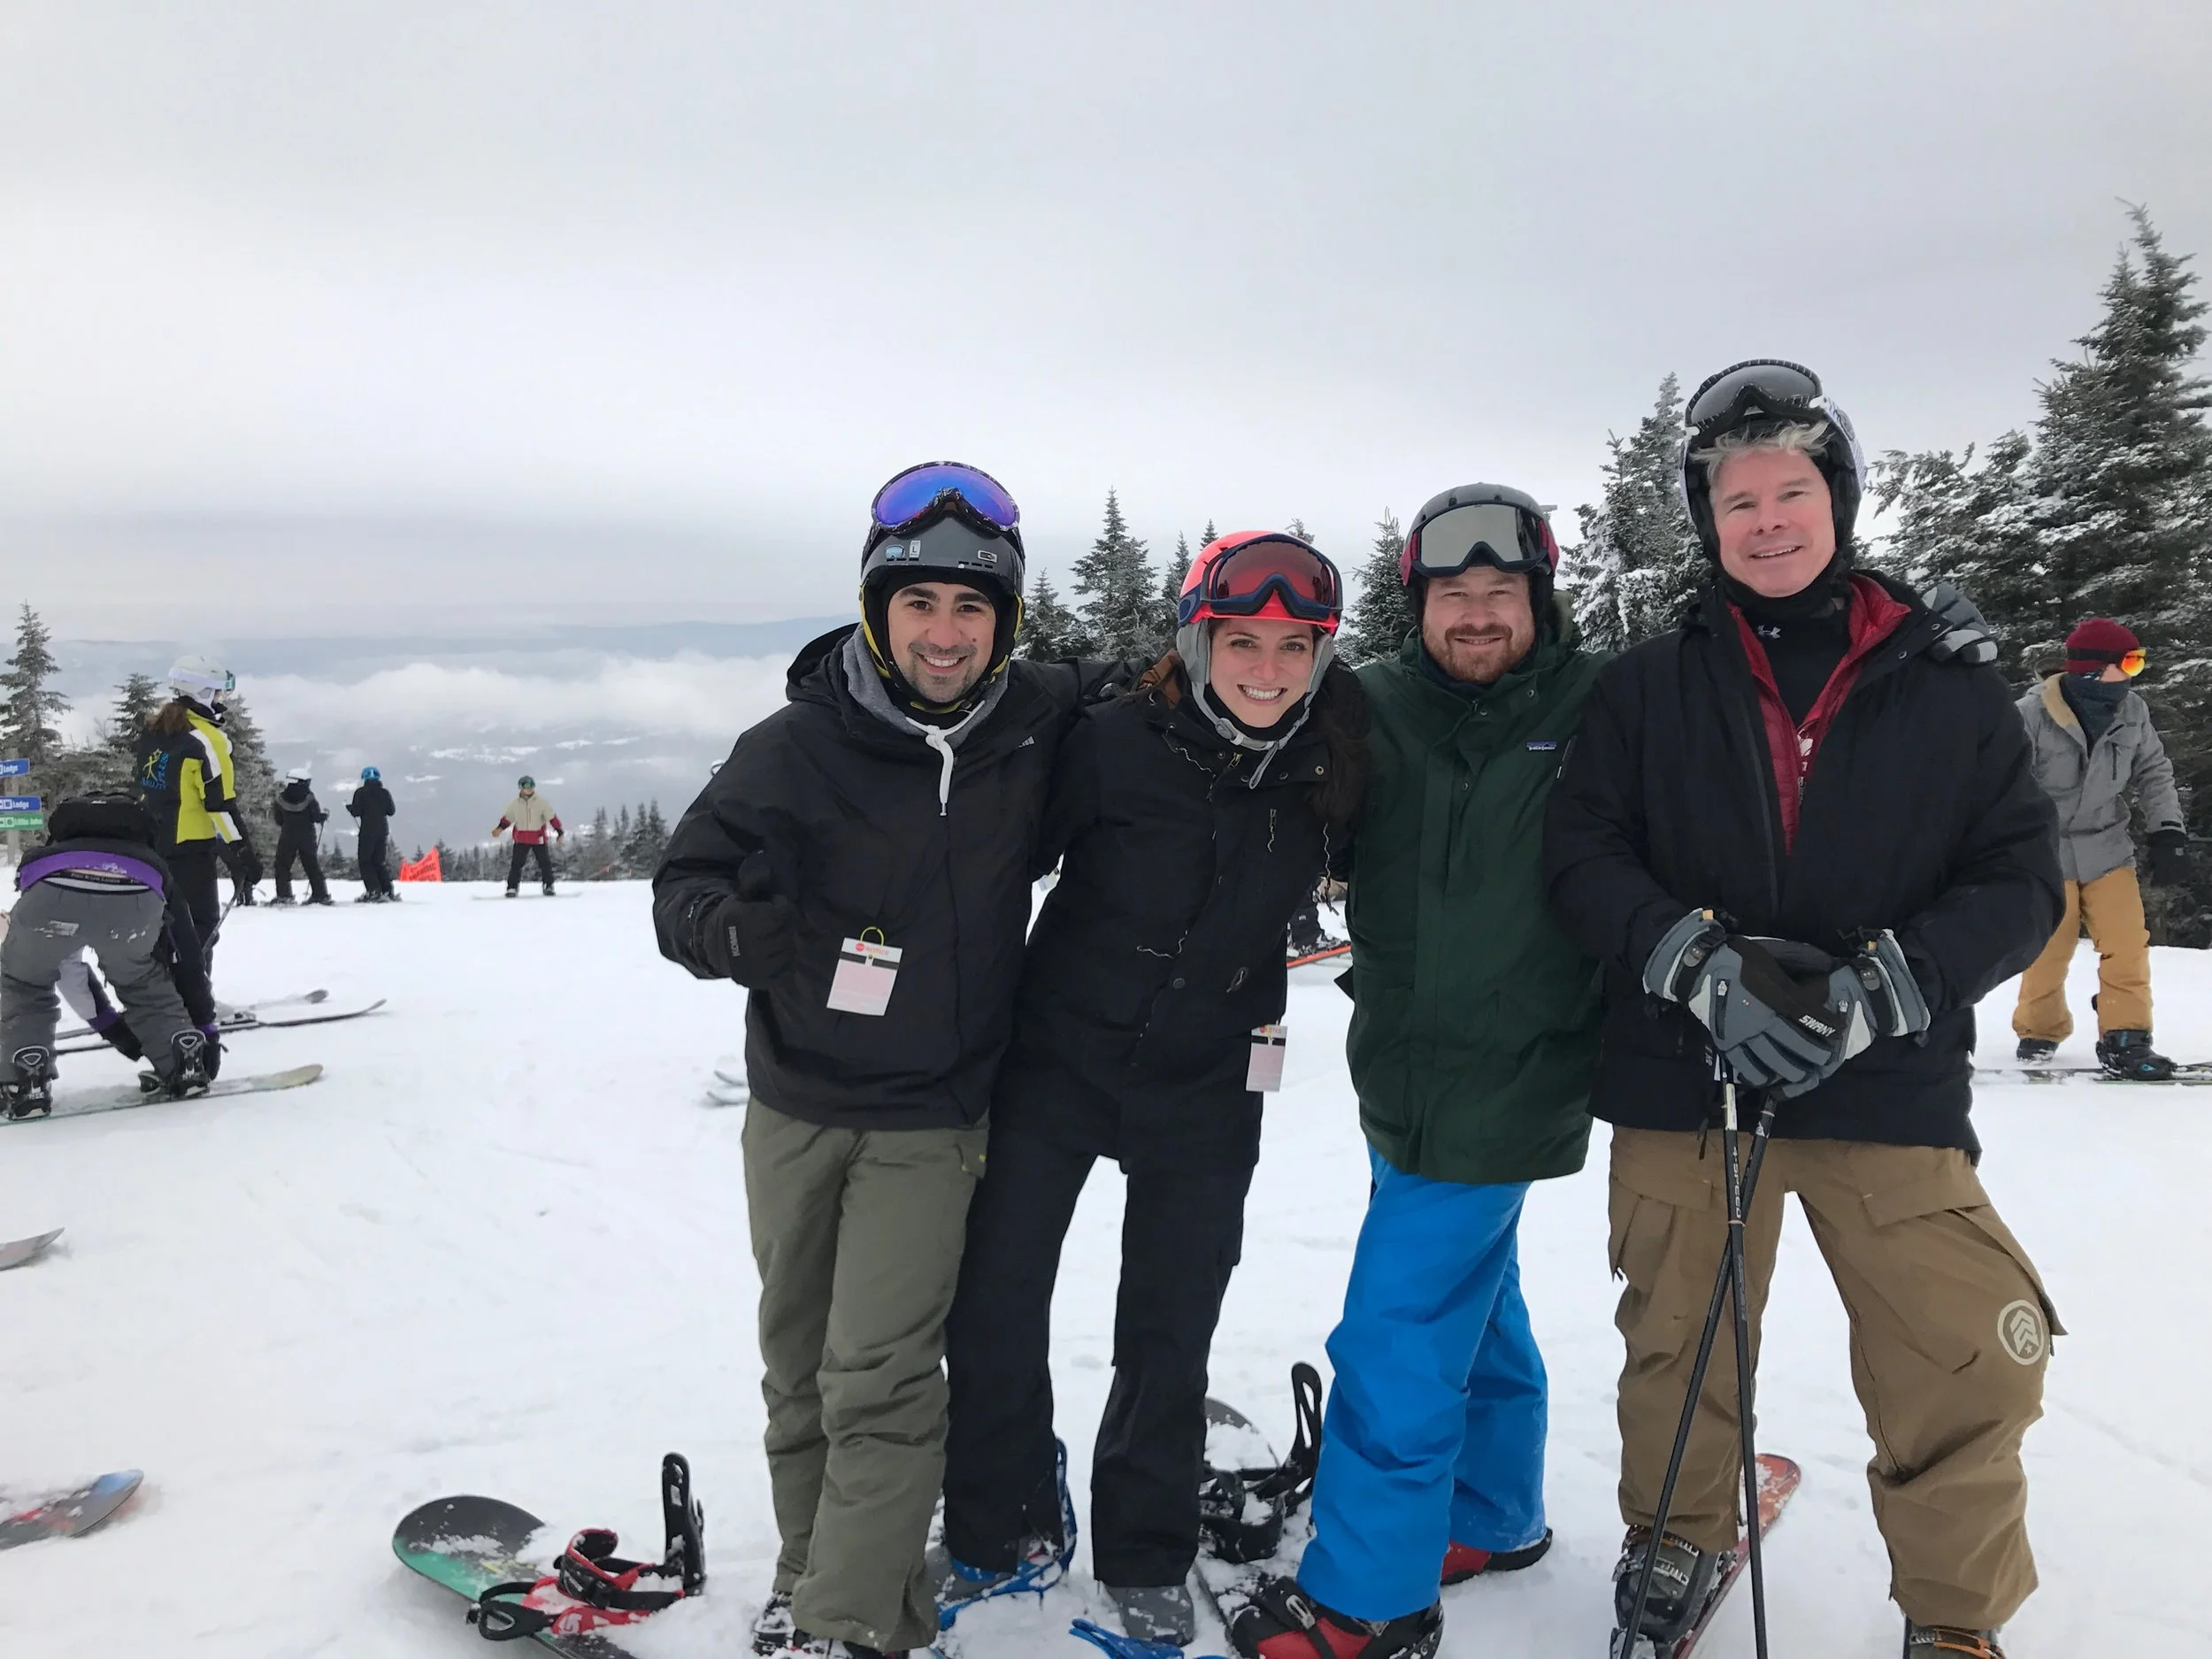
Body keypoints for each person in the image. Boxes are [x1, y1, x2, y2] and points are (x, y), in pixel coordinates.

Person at [1543, 359, 2064, 1659]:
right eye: (1738, 502)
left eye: (1791, 493)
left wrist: (1891, 985)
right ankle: (1676, 1532)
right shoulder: (1645, 686)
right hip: (1686, 1075)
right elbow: (1582, 852)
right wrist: (1693, 964)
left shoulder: (1947, 685)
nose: (1767, 522)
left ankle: (1954, 1610)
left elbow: (2019, 878)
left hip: (1885, 1082)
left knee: (1965, 1350)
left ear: (1838, 498)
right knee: (1679, 1338)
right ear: (1706, 522)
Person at [652, 462, 1114, 1659]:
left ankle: (853, 1622)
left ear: (1005, 621)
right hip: (795, 1098)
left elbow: (1145, 687)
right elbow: (684, 882)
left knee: (882, 1372)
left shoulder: (1033, 722)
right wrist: (724, 932)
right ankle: (811, 1576)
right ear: (876, 610)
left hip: (930, 1111)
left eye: (972, 607)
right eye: (919, 604)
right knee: (797, 1365)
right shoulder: (795, 746)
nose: (945, 634)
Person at [940, 533, 1369, 1647]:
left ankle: (1143, 1552)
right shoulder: (1111, 743)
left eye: (1294, 645)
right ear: (1196, 642)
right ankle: (1003, 1523)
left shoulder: (1333, 760)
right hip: (1057, 1060)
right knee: (993, 1304)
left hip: (1211, 1078)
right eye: (1241, 641)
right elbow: (988, 862)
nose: (1266, 668)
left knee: (1169, 1330)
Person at [1236, 486, 1607, 1659]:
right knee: (1475, 1299)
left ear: (1538, 599)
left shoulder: (1602, 703)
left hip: (1514, 1068)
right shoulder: (1373, 701)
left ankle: (1369, 1597)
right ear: (1420, 604)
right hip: (1399, 1064)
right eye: (1454, 593)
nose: (1478, 613)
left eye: (1501, 591)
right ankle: (1492, 1511)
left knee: (1398, 1332)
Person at [2010, 617, 2189, 1079]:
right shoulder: (2030, 715)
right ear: (2093, 669)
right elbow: (1999, 784)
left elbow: (2154, 771)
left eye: (2137, 662)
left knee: (2127, 943)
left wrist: (2168, 831)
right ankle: (2039, 1031)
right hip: (2046, 851)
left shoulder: (2132, 710)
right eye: (2129, 663)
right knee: (2049, 947)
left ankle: (2126, 1036)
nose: (2134, 674)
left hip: (2108, 846)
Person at [1, 794, 220, 1118]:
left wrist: (110, 1027)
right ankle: (181, 1059)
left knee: (24, 982)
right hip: (137, 895)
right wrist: (205, 1024)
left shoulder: (53, 854)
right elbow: (186, 954)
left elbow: (68, 969)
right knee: (142, 980)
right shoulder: (152, 864)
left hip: (49, 895)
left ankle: (25, 1079)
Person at [134, 655, 260, 981]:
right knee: (198, 924)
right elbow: (219, 804)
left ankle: (157, 992)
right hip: (190, 848)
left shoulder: (155, 730)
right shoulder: (208, 740)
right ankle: (192, 995)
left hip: (151, 844)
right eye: (218, 692)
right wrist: (242, 851)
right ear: (202, 692)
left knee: (160, 923)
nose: (221, 700)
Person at [270, 766, 334, 906]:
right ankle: (320, 894)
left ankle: (284, 895)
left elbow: (278, 820)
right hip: (307, 836)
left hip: (288, 836)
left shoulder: (280, 798)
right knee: (311, 865)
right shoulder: (309, 797)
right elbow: (316, 817)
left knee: (282, 866)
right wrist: (323, 816)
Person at [493, 776, 564, 896]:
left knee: (545, 863)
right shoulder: (515, 804)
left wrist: (559, 832)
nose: (529, 788)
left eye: (531, 786)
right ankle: (512, 888)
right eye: (526, 786)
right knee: (516, 864)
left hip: (538, 837)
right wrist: (499, 828)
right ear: (521, 788)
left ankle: (548, 886)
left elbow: (552, 817)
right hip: (521, 838)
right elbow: (508, 818)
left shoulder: (541, 802)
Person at [349, 767, 398, 902]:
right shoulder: (385, 793)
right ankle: (387, 890)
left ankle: (374, 891)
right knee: (379, 862)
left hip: (367, 831)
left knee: (365, 861)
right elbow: (391, 811)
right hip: (383, 831)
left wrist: (351, 809)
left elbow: (356, 811)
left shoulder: (360, 793)